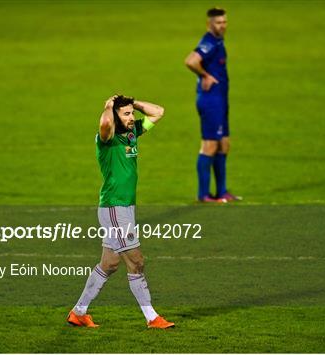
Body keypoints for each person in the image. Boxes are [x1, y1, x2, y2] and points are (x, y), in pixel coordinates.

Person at [67, 95, 174, 329]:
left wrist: (132, 104)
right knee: (136, 261)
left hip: (125, 207)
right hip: (115, 208)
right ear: (115, 116)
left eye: (131, 114)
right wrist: (107, 107)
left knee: (110, 263)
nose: (131, 118)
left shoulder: (132, 132)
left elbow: (158, 111)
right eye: (125, 114)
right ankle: (152, 317)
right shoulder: (106, 139)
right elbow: (105, 124)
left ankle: (78, 312)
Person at [185, 7, 241, 203]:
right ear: (209, 24)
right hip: (211, 101)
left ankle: (222, 191)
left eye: (225, 22)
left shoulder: (218, 40)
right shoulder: (208, 42)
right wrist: (205, 75)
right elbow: (191, 61)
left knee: (224, 144)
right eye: (218, 22)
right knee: (209, 145)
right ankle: (203, 195)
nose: (223, 25)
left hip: (220, 99)